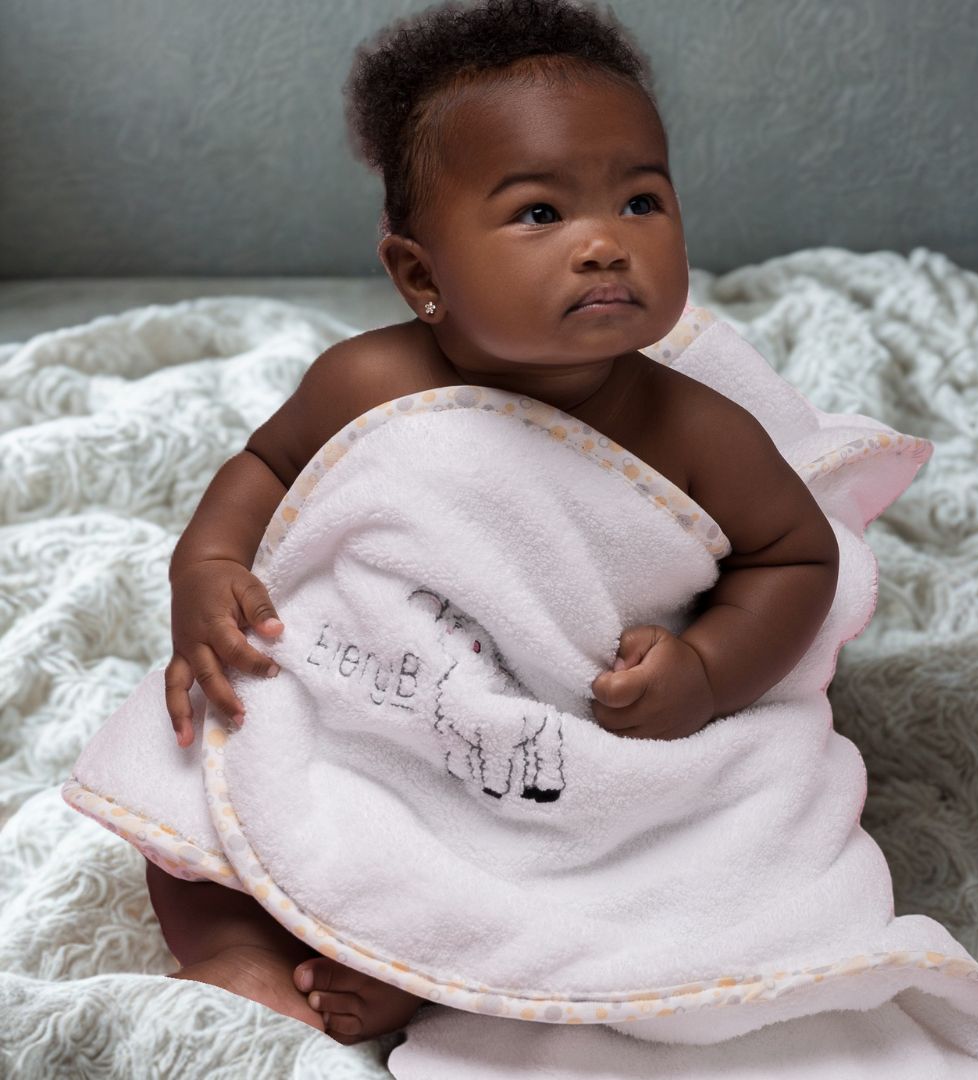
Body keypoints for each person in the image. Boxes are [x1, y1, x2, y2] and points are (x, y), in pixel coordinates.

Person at [147, 0, 840, 1045]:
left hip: (552, 726)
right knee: (200, 774)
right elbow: (266, 465)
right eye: (538, 215)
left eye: (643, 201)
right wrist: (205, 566)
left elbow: (794, 557)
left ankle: (439, 964)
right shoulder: (366, 378)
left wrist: (708, 668)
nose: (607, 243)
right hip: (376, 691)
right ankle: (239, 947)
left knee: (650, 854)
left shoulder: (697, 430)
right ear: (422, 275)